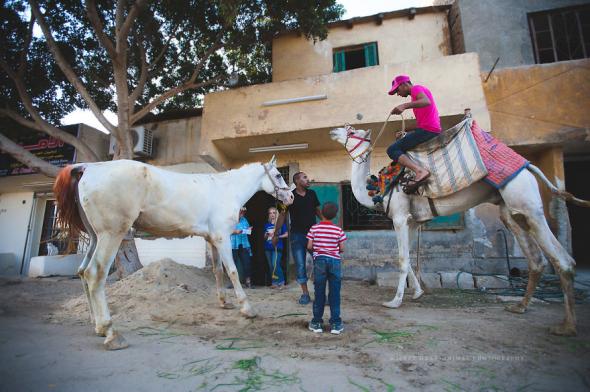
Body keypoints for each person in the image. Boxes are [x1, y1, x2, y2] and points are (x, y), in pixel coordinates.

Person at [272, 171, 322, 305]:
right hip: (296, 236)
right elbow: (281, 215)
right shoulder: (288, 196)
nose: (308, 179)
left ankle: (320, 293)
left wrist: (326, 223)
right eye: (305, 177)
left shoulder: (312, 194)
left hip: (313, 235)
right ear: (297, 181)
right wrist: (276, 234)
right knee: (300, 265)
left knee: (320, 263)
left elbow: (317, 211)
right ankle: (305, 294)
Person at [386, 75, 442, 193]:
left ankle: (419, 171)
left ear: (404, 84)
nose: (398, 94)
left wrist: (403, 106)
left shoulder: (416, 89)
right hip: (429, 129)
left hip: (429, 130)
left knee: (392, 149)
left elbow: (426, 101)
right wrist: (407, 130)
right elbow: (423, 123)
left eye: (397, 90)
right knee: (401, 144)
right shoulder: (415, 98)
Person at [306, 202, 347, 335]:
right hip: (335, 261)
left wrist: (319, 249)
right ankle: (335, 323)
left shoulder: (314, 228)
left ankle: (317, 322)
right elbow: (341, 248)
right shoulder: (338, 230)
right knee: (335, 292)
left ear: (321, 213)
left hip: (320, 262)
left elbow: (309, 246)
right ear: (335, 216)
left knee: (319, 291)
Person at [264, 207, 288, 288]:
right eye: (270, 213)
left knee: (275, 264)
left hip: (278, 247)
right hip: (268, 247)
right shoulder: (267, 225)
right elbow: (264, 237)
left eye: (274, 213)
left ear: (277, 214)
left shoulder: (281, 224)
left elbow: (286, 234)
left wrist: (278, 236)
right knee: (271, 266)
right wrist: (267, 234)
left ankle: (281, 281)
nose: (272, 215)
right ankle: (274, 282)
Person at [230, 207, 253, 288]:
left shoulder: (244, 220)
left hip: (244, 244)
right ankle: (233, 282)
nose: (242, 213)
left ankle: (248, 281)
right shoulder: (230, 221)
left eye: (243, 212)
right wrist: (235, 232)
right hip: (233, 244)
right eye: (241, 212)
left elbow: (247, 229)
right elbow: (226, 231)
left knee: (247, 262)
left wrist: (249, 229)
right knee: (233, 264)